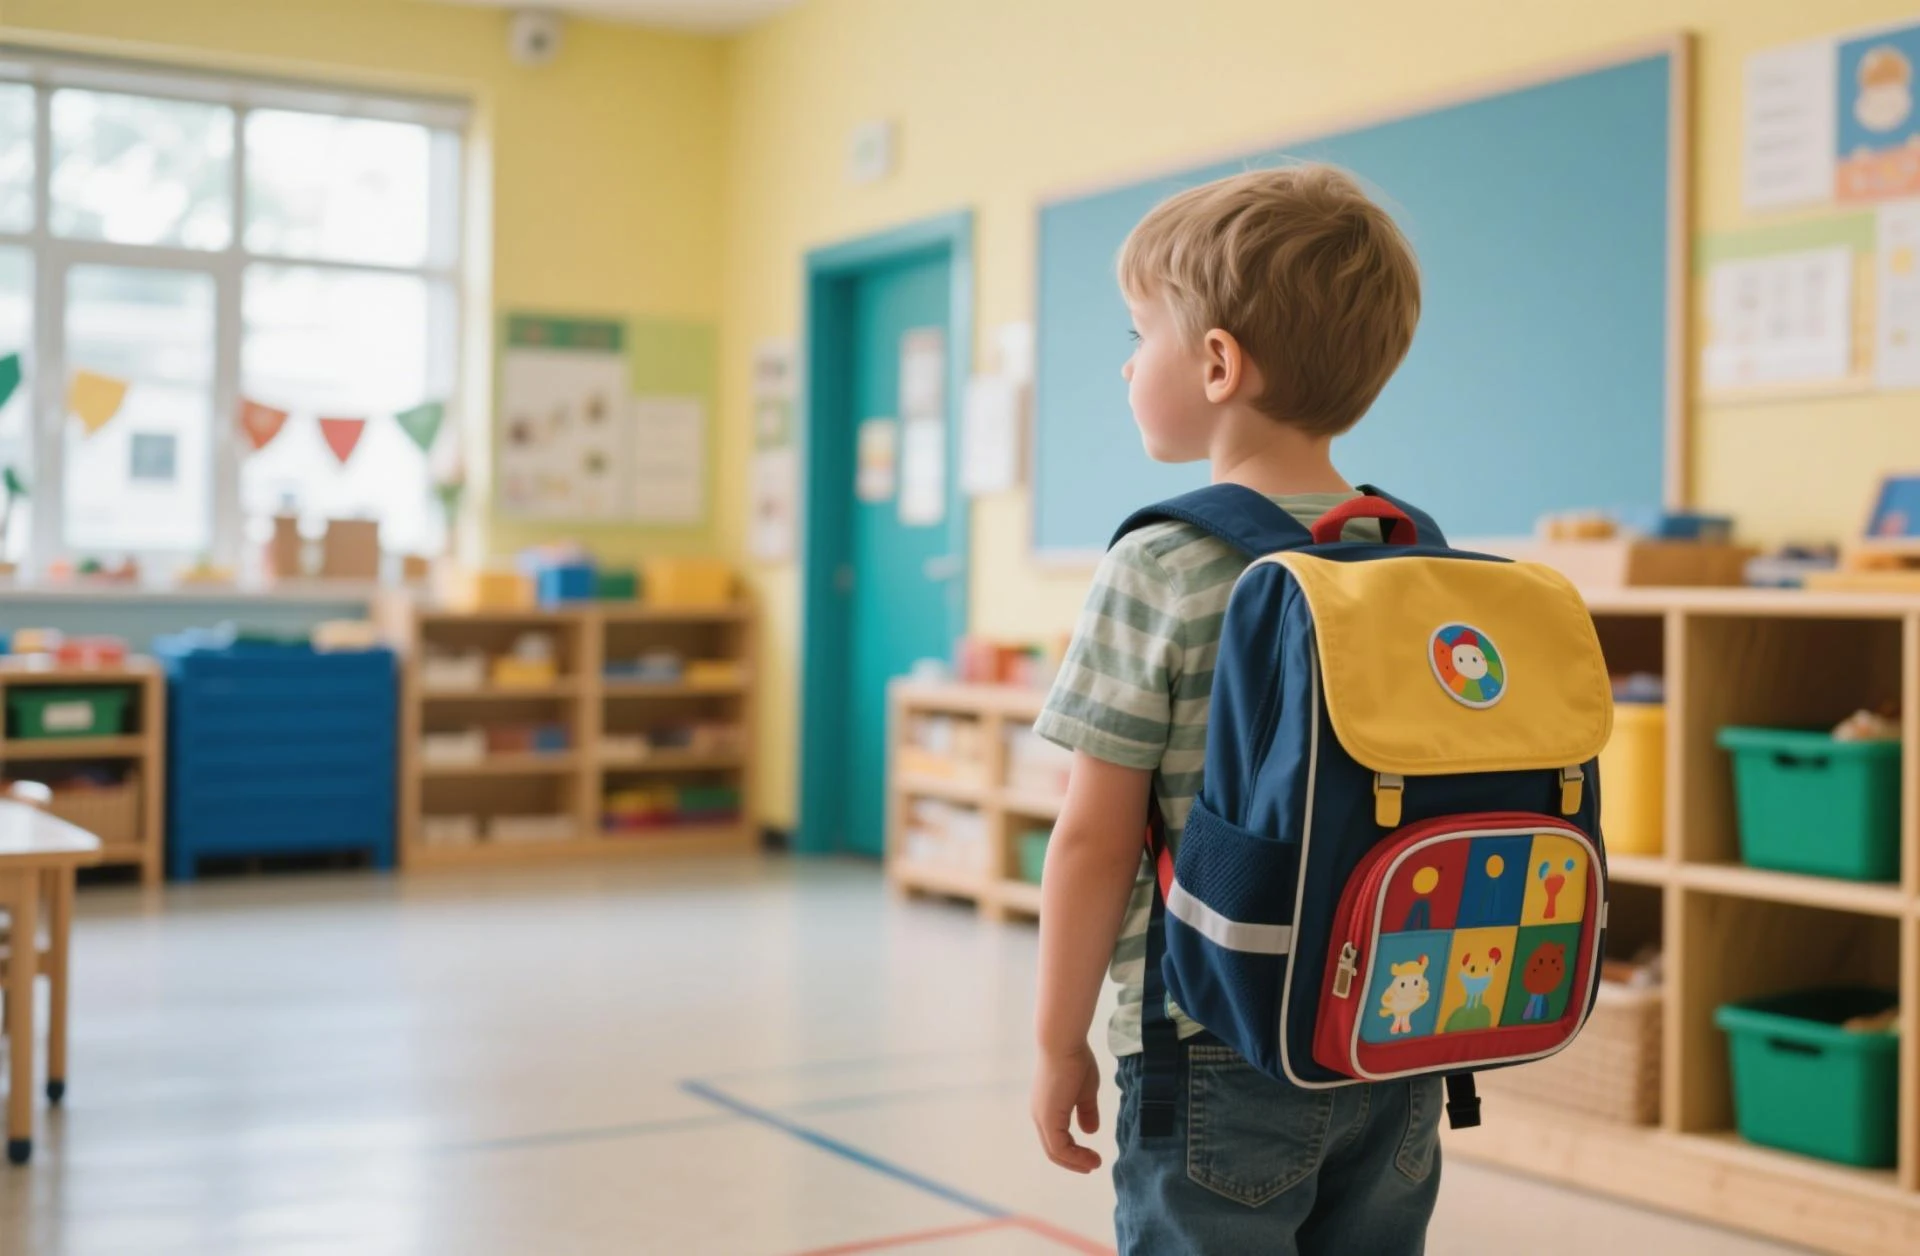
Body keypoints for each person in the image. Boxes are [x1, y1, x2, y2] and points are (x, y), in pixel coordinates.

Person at [1029, 163, 1439, 1255]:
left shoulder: (1159, 563)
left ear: (1217, 362)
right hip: (1394, 1027)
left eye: (1139, 332)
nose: (1126, 361)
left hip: (1211, 1035)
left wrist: (1056, 1038)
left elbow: (1091, 838)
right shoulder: (1406, 553)